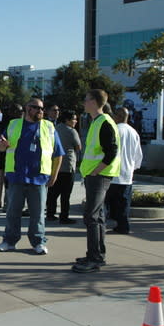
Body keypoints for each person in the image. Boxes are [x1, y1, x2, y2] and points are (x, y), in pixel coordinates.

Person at [0, 98, 64, 255]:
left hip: (39, 177)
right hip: (17, 176)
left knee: (38, 214)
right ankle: (9, 241)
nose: (41, 111)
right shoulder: (14, 125)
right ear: (27, 109)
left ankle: (38, 242)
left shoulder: (49, 127)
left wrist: (54, 175)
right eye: (36, 108)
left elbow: (58, 154)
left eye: (42, 108)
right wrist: (1, 145)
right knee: (13, 212)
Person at [72, 89, 120, 273]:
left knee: (91, 216)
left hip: (99, 176)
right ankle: (97, 254)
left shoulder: (104, 122)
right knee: (98, 216)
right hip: (96, 175)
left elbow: (112, 151)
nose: (84, 103)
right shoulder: (98, 121)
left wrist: (95, 172)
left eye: (86, 100)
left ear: (94, 102)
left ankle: (94, 258)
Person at [105, 107, 143, 234]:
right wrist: (133, 168)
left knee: (107, 201)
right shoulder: (133, 132)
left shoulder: (114, 130)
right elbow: (138, 155)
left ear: (118, 116)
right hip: (126, 174)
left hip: (112, 173)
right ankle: (123, 225)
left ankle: (103, 224)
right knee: (123, 202)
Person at [46, 110, 82, 224]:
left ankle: (50, 214)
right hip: (67, 165)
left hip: (55, 165)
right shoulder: (72, 131)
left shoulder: (55, 129)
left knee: (53, 192)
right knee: (66, 194)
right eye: (73, 119)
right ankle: (64, 216)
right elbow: (78, 147)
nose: (75, 121)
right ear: (67, 120)